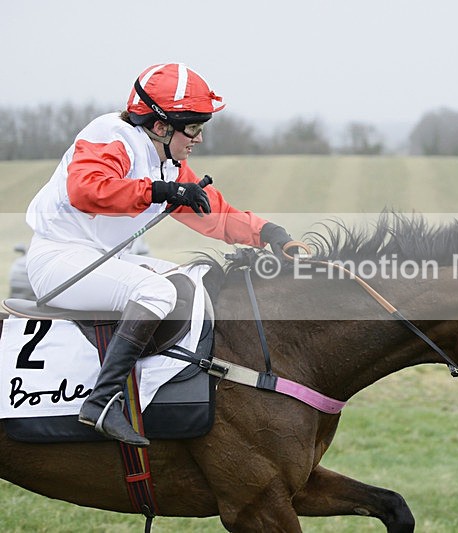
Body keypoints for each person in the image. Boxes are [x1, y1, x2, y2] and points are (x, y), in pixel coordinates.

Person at [25, 63, 294, 447]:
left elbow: (212, 213)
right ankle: (101, 402)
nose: (199, 139)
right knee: (158, 293)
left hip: (98, 260)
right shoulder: (110, 134)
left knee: (186, 279)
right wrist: (157, 191)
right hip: (58, 261)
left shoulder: (166, 162)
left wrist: (267, 232)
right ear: (161, 125)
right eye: (195, 128)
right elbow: (86, 190)